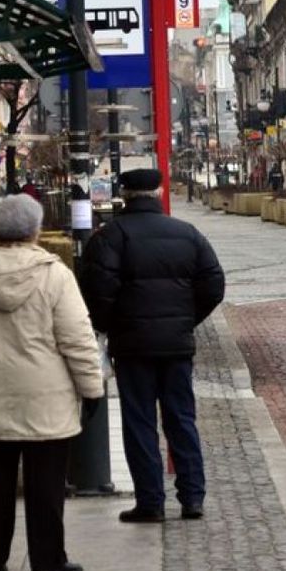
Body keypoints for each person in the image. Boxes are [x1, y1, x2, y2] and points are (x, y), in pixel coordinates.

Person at [0, 194, 103, 571]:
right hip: (48, 393)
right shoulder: (54, 273)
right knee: (46, 481)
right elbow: (77, 338)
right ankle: (48, 558)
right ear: (34, 230)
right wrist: (92, 388)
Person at [79, 168, 225, 523]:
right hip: (176, 345)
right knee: (181, 418)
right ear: (159, 192)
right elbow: (213, 284)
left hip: (132, 347)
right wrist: (185, 320)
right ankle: (192, 497)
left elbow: (96, 292)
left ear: (124, 195)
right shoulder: (187, 234)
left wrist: (112, 325)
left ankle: (151, 501)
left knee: (140, 422)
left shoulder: (111, 237)